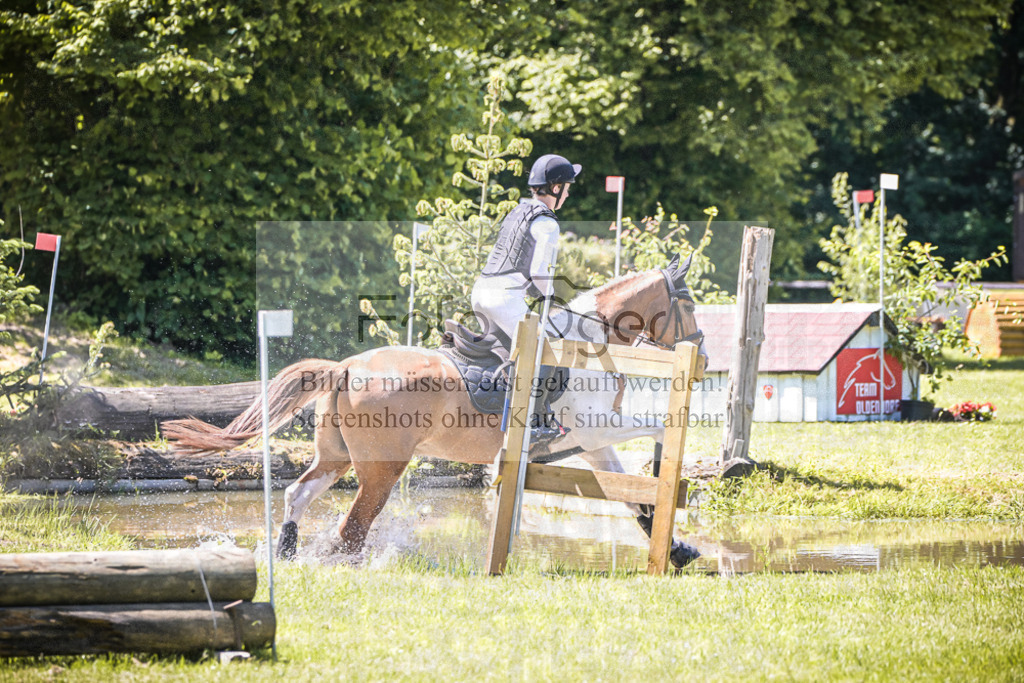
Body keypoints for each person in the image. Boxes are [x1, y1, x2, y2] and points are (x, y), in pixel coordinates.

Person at [471, 153, 581, 443]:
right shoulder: (548, 223)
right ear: (555, 188)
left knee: (514, 352)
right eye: (567, 187)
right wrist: (552, 295)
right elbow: (539, 273)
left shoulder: (518, 211)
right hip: (504, 298)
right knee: (544, 348)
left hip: (481, 291)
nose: (568, 193)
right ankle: (532, 420)